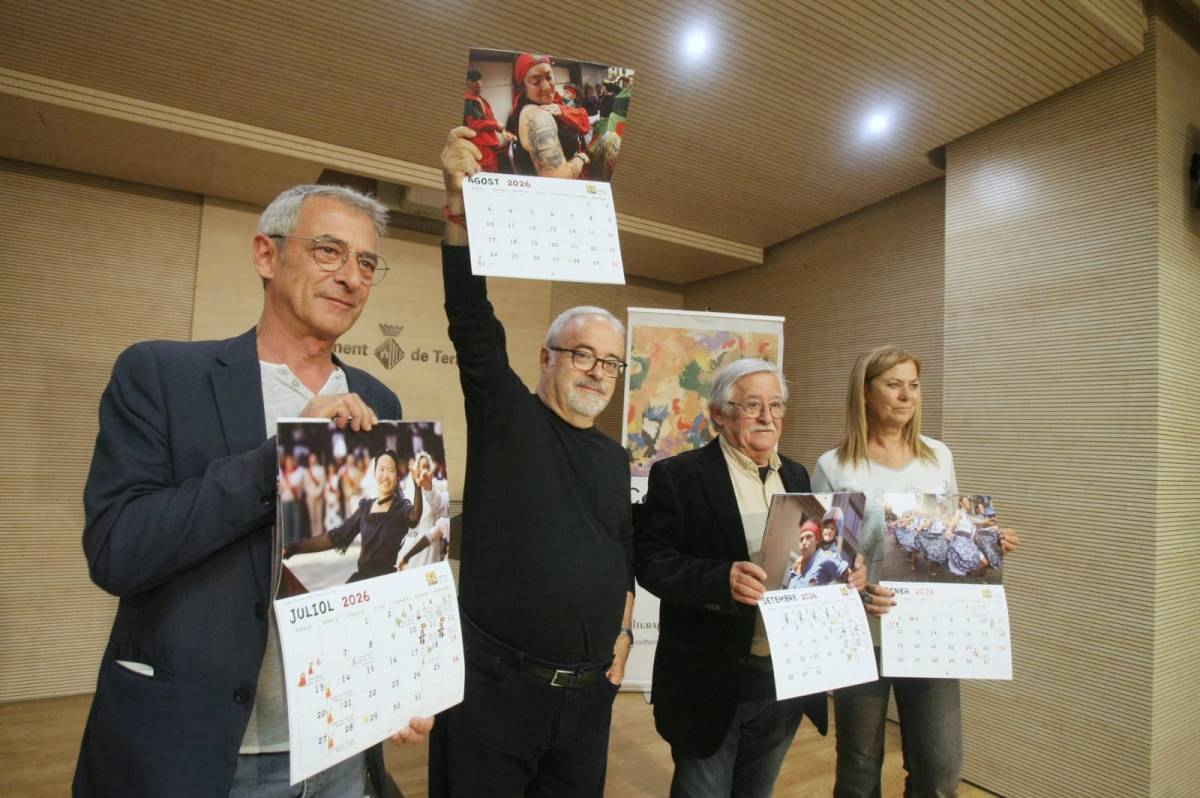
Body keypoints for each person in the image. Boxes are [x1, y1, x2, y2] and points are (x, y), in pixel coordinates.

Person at [74, 184, 432, 797]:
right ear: (267, 256)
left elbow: (379, 571)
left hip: (338, 743)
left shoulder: (380, 402)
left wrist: (402, 682)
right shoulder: (161, 375)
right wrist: (279, 459)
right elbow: (118, 550)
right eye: (328, 251)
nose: (350, 276)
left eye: (366, 263)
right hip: (203, 748)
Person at [431, 127, 635, 797]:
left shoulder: (614, 458)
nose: (597, 371)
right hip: (496, 695)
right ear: (547, 357)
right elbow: (470, 317)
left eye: (609, 361)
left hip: (586, 705)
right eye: (582, 353)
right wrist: (460, 217)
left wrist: (628, 631)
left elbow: (621, 557)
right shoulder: (508, 418)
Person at [635, 358, 866, 798]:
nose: (767, 417)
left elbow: (812, 552)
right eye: (753, 405)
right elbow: (651, 561)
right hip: (710, 678)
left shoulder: (796, 474)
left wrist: (847, 570)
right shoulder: (679, 476)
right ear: (719, 415)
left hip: (784, 674)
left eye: (776, 405)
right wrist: (720, 579)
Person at [812, 345, 1020, 798]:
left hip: (931, 632)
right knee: (859, 767)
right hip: (864, 634)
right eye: (893, 384)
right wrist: (862, 594)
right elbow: (824, 564)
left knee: (941, 768)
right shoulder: (835, 466)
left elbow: (952, 533)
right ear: (865, 394)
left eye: (914, 385)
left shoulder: (938, 457)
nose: (906, 396)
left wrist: (987, 542)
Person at [283, 450, 425, 582]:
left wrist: (417, 487)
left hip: (387, 581)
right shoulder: (365, 507)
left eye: (391, 470)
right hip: (362, 581)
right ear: (374, 474)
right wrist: (294, 548)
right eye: (381, 469)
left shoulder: (400, 507)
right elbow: (336, 537)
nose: (385, 475)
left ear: (397, 477)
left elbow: (414, 517)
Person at [506, 52, 592, 179]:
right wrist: (581, 158)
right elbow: (557, 179)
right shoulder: (538, 117)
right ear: (523, 88)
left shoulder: (553, 103)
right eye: (536, 82)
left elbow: (582, 117)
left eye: (549, 77)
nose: (546, 87)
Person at [463, 67, 513, 173]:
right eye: (474, 80)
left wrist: (503, 132)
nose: (479, 83)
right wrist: (495, 124)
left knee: (494, 172)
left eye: (480, 79)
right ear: (468, 82)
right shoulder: (468, 101)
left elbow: (491, 120)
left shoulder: (482, 101)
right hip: (480, 146)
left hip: (490, 146)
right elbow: (474, 124)